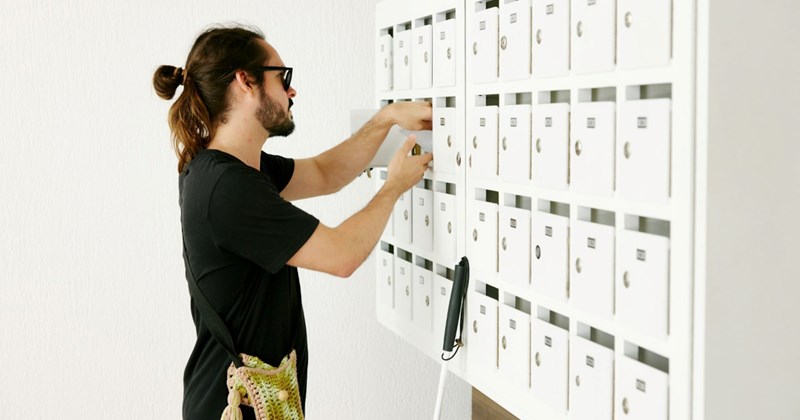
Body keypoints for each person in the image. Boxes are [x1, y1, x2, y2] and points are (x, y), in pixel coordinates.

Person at [152, 25, 433, 419]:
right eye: (283, 78)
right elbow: (342, 255)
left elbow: (324, 173)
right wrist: (394, 187)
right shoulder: (227, 188)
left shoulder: (229, 169)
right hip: (235, 407)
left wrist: (386, 119)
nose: (291, 91)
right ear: (245, 81)